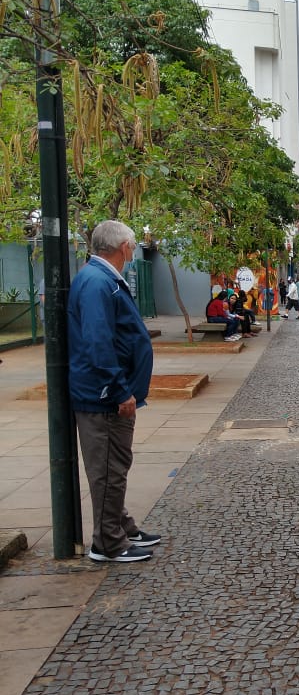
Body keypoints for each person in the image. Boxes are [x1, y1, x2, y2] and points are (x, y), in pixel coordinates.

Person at [68, 220, 161, 563]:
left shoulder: (102, 279)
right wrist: (120, 391)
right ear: (124, 247)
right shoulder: (98, 282)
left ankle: (120, 526)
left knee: (113, 465)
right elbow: (98, 342)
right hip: (103, 396)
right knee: (109, 468)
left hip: (105, 393)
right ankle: (107, 542)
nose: (134, 252)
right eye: (133, 247)